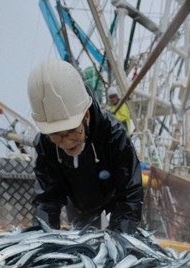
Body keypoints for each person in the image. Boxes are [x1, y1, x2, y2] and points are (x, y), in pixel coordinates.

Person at [27, 59, 143, 234]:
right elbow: (47, 199)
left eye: (72, 131)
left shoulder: (114, 135)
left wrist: (122, 238)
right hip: (79, 204)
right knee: (84, 234)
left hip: (113, 200)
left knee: (116, 236)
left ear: (86, 116)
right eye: (56, 135)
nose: (66, 142)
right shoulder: (45, 144)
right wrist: (43, 238)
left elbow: (129, 195)